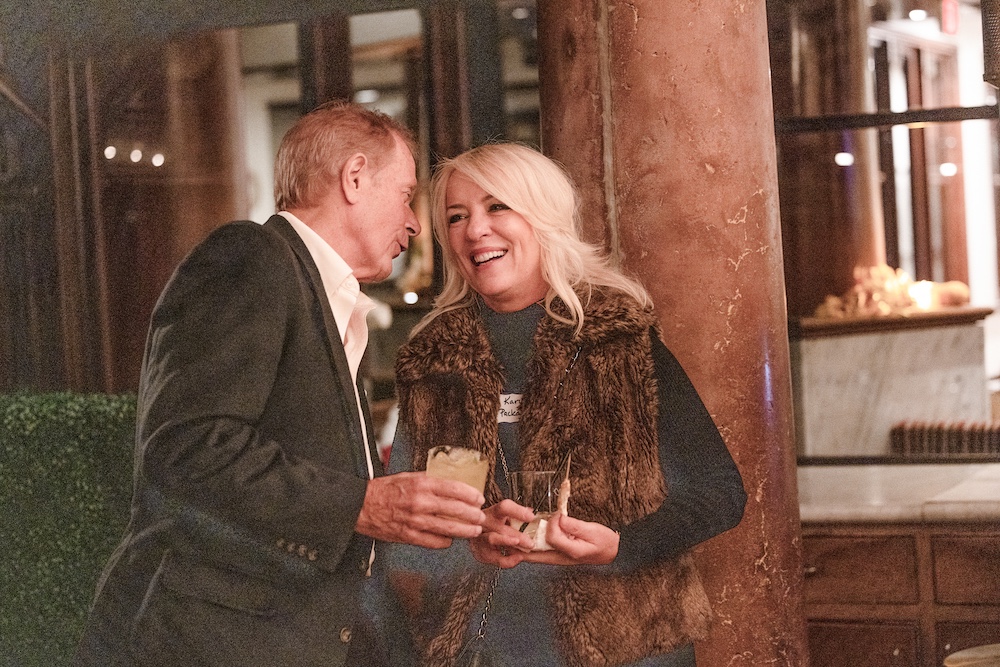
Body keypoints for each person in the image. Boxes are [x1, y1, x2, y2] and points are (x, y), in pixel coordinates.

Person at [71, 101, 487, 667]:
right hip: (209, 643)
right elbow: (187, 449)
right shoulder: (249, 255)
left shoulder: (325, 294)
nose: (414, 224)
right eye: (405, 194)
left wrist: (442, 521)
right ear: (355, 177)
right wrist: (362, 504)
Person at [356, 142, 748, 667]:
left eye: (497, 207)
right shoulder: (433, 360)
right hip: (483, 648)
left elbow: (719, 492)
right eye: (456, 216)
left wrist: (621, 547)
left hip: (628, 649)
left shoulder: (618, 340)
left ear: (542, 216)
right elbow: (408, 533)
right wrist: (472, 539)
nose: (475, 230)